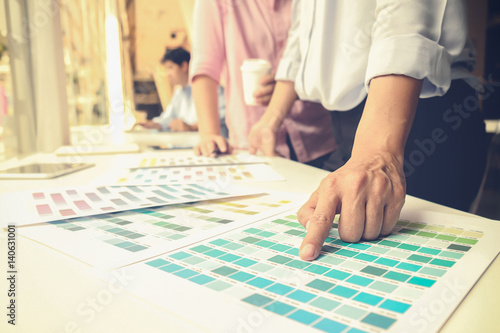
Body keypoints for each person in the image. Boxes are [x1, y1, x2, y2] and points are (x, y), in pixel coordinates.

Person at [249, 0, 489, 261]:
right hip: (349, 124)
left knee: (422, 271)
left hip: (416, 112)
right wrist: (270, 120)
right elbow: (300, 42)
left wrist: (377, 152)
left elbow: (406, 17)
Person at [190, 0, 336, 165]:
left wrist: (288, 86)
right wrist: (209, 134)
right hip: (252, 143)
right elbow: (205, 67)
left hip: (318, 137)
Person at [134, 47, 227, 136]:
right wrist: (153, 124)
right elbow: (168, 118)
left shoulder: (211, 87)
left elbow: (223, 115)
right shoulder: (179, 93)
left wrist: (192, 127)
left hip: (211, 146)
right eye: (166, 69)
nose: (167, 74)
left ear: (184, 66)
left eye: (170, 68)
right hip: (186, 146)